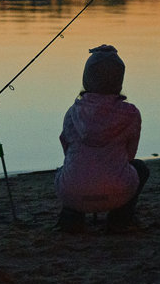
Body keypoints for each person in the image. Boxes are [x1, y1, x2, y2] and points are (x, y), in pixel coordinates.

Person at [54, 44, 150, 234]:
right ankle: (120, 218)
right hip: (118, 192)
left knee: (69, 169)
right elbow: (130, 156)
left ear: (86, 78)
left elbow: (67, 151)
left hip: (73, 191)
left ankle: (72, 218)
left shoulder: (73, 112)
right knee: (140, 169)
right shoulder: (130, 114)